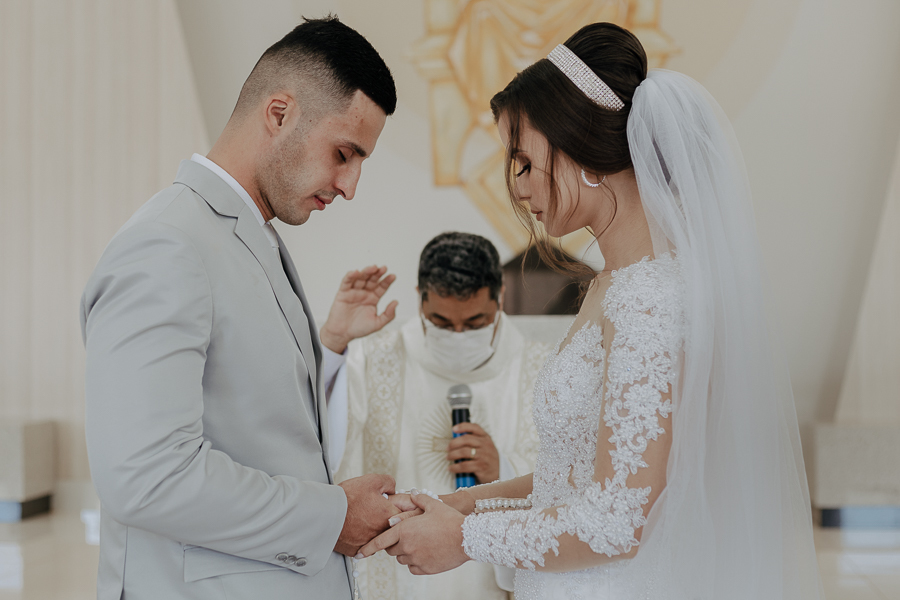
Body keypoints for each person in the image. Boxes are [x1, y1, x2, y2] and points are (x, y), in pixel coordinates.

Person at [360, 22, 824, 600]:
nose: (519, 188)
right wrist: (454, 506)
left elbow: (617, 518)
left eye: (524, 162)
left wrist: (466, 538)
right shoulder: (615, 283)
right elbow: (574, 479)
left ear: (580, 150)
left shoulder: (649, 300)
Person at [80, 17, 403, 600]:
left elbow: (258, 417)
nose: (351, 185)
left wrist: (327, 349)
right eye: (344, 153)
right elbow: (146, 475)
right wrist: (330, 517)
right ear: (279, 114)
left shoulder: (247, 237)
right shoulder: (167, 244)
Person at [326, 232, 552, 600]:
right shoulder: (372, 359)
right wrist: (334, 342)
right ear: (420, 300)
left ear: (501, 296)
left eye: (476, 322)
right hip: (396, 578)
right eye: (443, 324)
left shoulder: (542, 367)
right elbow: (318, 438)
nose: (459, 335)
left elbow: (574, 481)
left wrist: (504, 470)